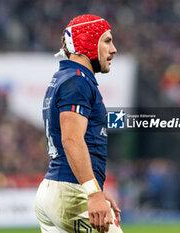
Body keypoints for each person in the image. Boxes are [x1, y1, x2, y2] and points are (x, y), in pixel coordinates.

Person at [35, 14, 122, 233]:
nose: (113, 49)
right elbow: (72, 139)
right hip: (71, 193)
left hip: (54, 189)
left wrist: (96, 187)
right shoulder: (77, 81)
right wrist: (92, 193)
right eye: (107, 40)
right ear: (87, 42)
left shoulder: (65, 77)